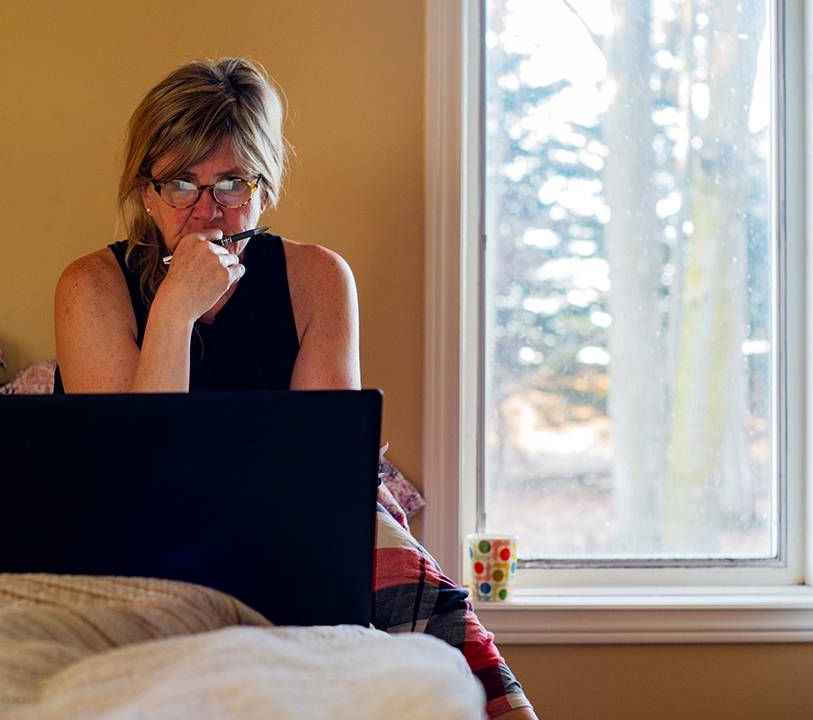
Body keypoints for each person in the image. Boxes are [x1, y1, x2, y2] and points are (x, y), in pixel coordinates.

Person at [54, 57, 535, 719]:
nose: (206, 214)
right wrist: (173, 313)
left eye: (230, 183)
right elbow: (134, 482)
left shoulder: (317, 278)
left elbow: (323, 477)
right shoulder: (91, 288)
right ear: (145, 193)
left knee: (412, 580)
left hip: (283, 526)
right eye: (180, 186)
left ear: (265, 188)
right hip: (139, 535)